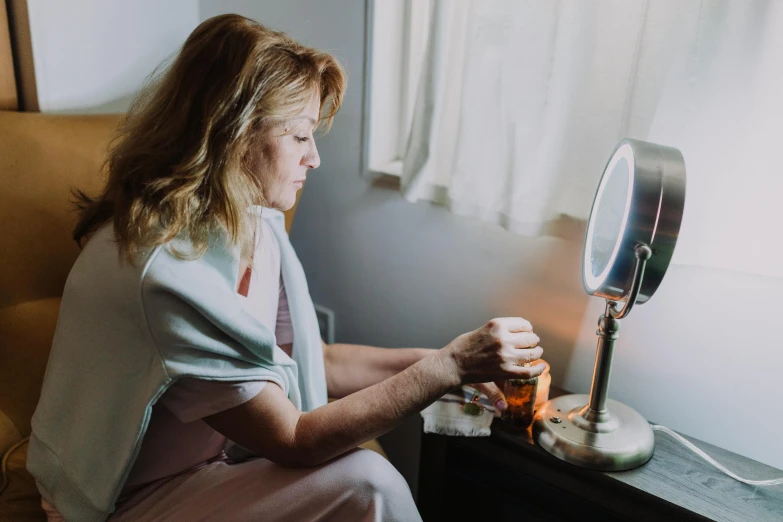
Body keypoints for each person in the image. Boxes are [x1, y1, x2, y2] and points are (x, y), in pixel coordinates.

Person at [27, 14, 545, 522]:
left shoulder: (253, 221)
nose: (314, 158)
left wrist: (457, 368)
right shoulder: (163, 275)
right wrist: (447, 366)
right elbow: (293, 438)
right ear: (233, 135)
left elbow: (319, 361)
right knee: (371, 481)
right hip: (130, 495)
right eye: (299, 136)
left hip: (214, 461)